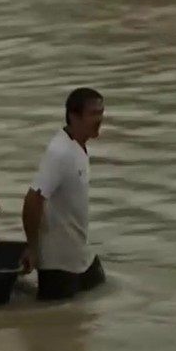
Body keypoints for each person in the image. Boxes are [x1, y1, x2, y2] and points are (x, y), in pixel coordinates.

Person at [21, 87, 107, 301]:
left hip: (81, 255)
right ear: (74, 116)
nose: (99, 119)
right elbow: (33, 200)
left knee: (99, 297)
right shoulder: (59, 152)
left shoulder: (79, 146)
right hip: (58, 263)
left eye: (101, 113)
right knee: (54, 315)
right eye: (93, 114)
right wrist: (32, 248)